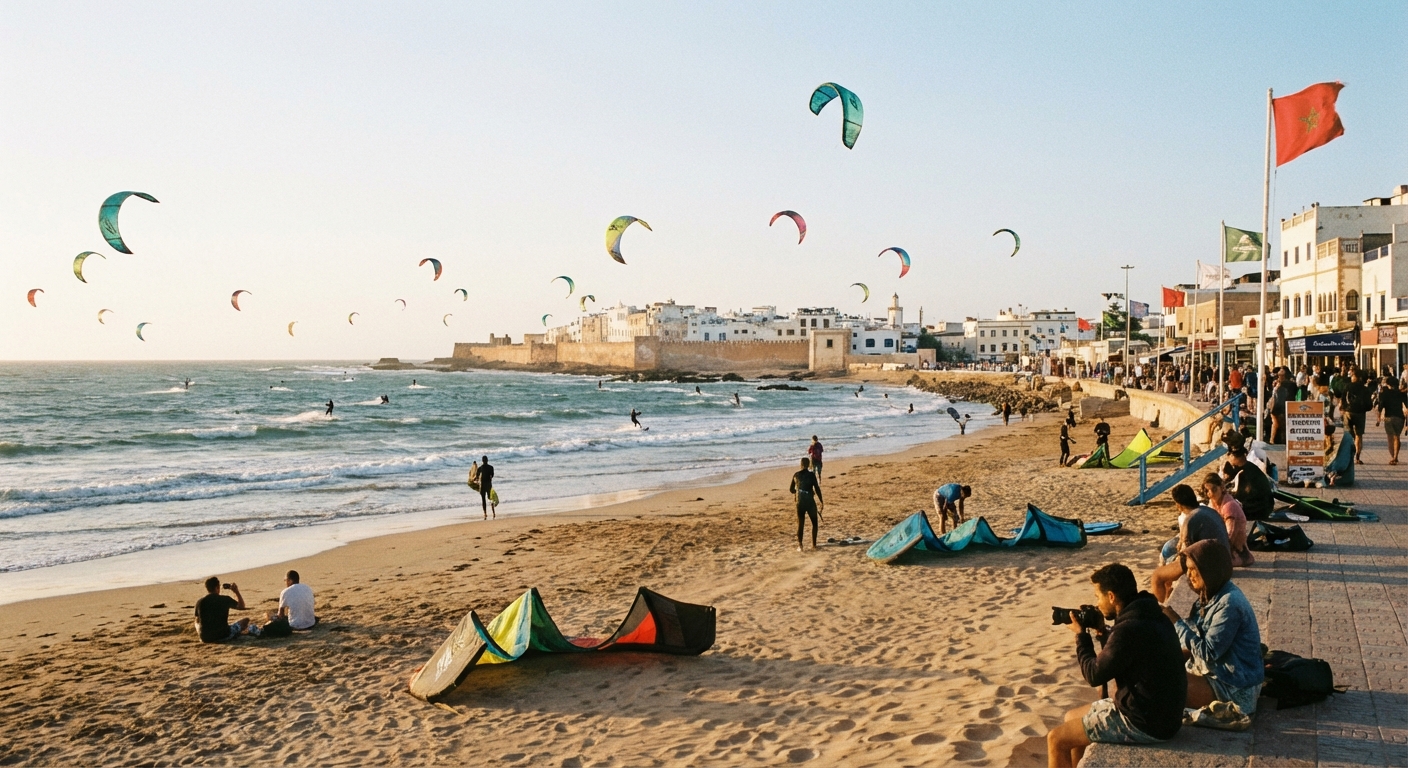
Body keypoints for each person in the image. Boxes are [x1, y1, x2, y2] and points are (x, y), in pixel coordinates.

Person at [1045, 564, 1186, 767]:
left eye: (1098, 597)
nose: (1097, 603)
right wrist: (1102, 631)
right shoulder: (1152, 615)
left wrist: (1081, 636)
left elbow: (1094, 674)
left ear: (1111, 596)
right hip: (1166, 718)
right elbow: (1118, 659)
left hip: (1145, 723)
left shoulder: (1128, 629)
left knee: (1056, 739)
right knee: (1071, 718)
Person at [1161, 540, 1265, 716]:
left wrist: (1176, 622)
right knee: (1156, 665)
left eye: (1195, 570)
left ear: (1210, 569)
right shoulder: (1210, 596)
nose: (1190, 576)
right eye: (1188, 570)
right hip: (1218, 672)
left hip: (1235, 688)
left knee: (1162, 684)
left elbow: (1208, 652)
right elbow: (1196, 641)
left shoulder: (1229, 604)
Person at [1151, 484, 1230, 603]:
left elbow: (1184, 553)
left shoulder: (1190, 519)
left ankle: (1159, 611)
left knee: (1157, 576)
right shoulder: (1208, 510)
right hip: (1225, 560)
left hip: (1209, 565)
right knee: (1168, 569)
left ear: (1178, 504)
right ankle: (1167, 599)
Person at [1202, 473, 1252, 567]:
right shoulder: (1213, 503)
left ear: (1221, 487)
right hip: (1224, 545)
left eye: (1214, 489)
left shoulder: (1229, 506)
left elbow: (1230, 534)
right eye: (1207, 490)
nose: (1211, 493)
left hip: (1237, 552)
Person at [1223, 447, 1273, 521]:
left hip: (1258, 511)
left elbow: (1241, 495)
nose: (1228, 460)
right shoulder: (1250, 466)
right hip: (1266, 507)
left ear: (1233, 457)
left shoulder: (1243, 473)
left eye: (1229, 457)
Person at [195, 576, 248, 643]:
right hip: (222, 635)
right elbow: (241, 606)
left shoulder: (200, 602)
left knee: (197, 621)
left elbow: (197, 620)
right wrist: (236, 592)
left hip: (205, 638)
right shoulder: (224, 599)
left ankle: (202, 632)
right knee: (245, 621)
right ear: (217, 587)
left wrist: (200, 630)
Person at [789, 457, 823, 551]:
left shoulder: (796, 475)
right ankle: (814, 545)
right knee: (814, 523)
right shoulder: (812, 475)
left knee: (800, 524)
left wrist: (798, 491)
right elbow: (817, 488)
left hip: (799, 502)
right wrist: (821, 501)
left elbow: (791, 489)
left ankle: (800, 546)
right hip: (809, 502)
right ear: (809, 465)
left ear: (801, 464)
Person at [1375, 375, 1407, 465]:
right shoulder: (1401, 394)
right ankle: (1396, 456)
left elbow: (1380, 406)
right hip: (1400, 418)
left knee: (1390, 438)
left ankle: (1393, 457)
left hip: (1389, 418)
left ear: (1388, 384)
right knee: (1397, 437)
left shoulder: (1384, 393)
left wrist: (1378, 418)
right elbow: (1407, 406)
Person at [1343, 370, 1373, 464]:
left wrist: (1344, 408)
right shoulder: (1365, 389)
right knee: (1359, 435)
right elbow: (1369, 404)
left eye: (1352, 375)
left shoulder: (1347, 386)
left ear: (1355, 377)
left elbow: (1343, 399)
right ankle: (1357, 457)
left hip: (1348, 412)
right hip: (1360, 413)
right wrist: (1364, 409)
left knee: (1348, 434)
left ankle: (1348, 456)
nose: (1351, 377)